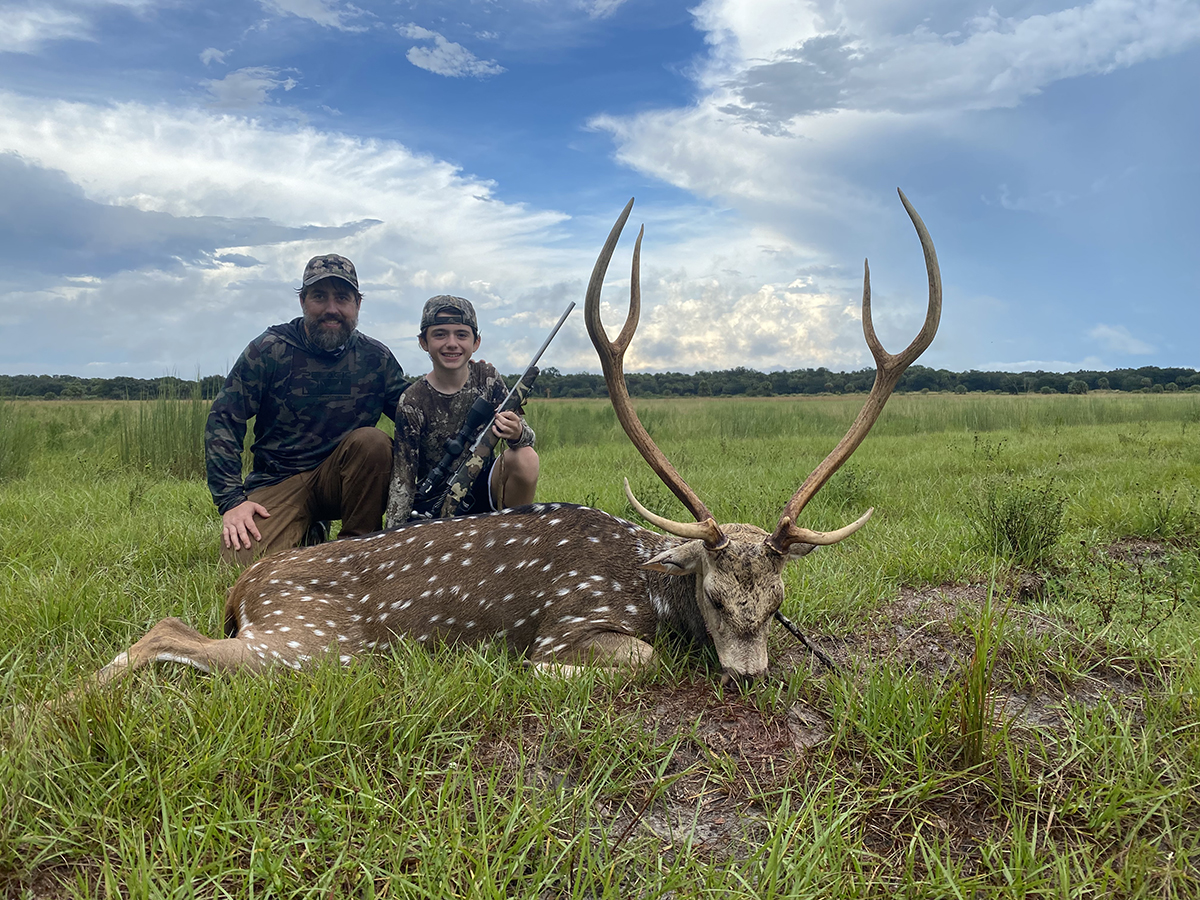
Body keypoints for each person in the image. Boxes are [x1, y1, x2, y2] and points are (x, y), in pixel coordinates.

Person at [206, 254, 408, 565]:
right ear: (302, 302)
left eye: (342, 298)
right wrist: (232, 501)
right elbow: (224, 418)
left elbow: (414, 417)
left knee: (373, 442)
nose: (331, 309)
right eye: (319, 297)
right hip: (279, 480)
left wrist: (463, 379)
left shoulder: (375, 358)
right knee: (243, 568)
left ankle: (358, 550)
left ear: (357, 304)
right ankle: (308, 531)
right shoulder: (269, 349)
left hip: (343, 481)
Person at [386, 295, 538, 524]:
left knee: (525, 457)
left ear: (476, 343)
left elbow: (527, 438)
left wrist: (516, 432)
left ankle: (516, 537)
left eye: (461, 334)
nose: (451, 343)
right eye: (440, 334)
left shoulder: (488, 378)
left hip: (484, 488)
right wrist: (394, 535)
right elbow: (403, 479)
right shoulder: (412, 400)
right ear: (423, 342)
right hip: (434, 503)